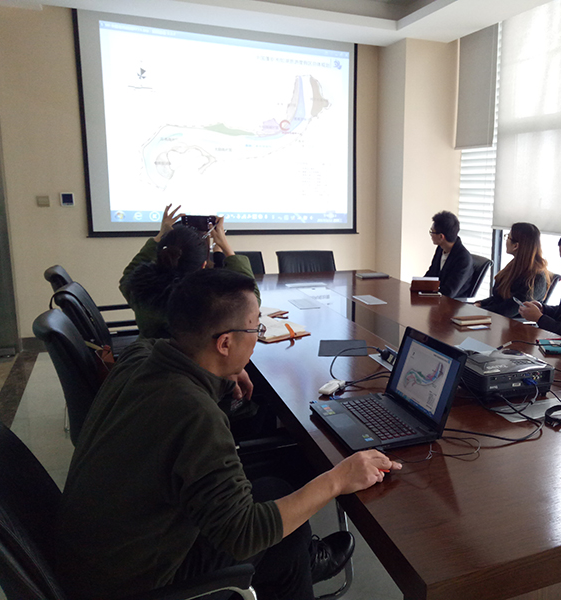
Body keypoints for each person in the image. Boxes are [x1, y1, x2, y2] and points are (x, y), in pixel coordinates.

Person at [54, 268, 401, 600]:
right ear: (224, 343)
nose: (257, 336)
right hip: (138, 584)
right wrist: (338, 479)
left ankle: (300, 564)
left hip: (92, 555)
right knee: (283, 532)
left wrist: (224, 372)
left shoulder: (139, 356)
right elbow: (245, 534)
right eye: (256, 328)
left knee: (275, 492)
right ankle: (300, 564)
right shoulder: (195, 414)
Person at [120, 204, 259, 338]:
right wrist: (224, 245)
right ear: (203, 265)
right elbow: (250, 301)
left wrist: (160, 234)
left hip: (149, 353)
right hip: (195, 356)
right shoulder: (208, 300)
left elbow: (130, 273)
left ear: (162, 255)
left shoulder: (140, 288)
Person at [476, 222, 551, 318]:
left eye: (508, 237)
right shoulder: (514, 266)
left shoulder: (536, 278)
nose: (506, 241)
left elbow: (509, 309)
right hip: (497, 319)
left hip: (510, 324)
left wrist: (481, 310)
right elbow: (498, 298)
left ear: (516, 246)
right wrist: (480, 304)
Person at [425, 211, 474, 298]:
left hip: (453, 304)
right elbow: (431, 274)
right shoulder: (440, 248)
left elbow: (449, 292)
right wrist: (418, 286)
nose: (431, 235)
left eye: (432, 232)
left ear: (441, 236)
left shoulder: (463, 259)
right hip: (436, 299)